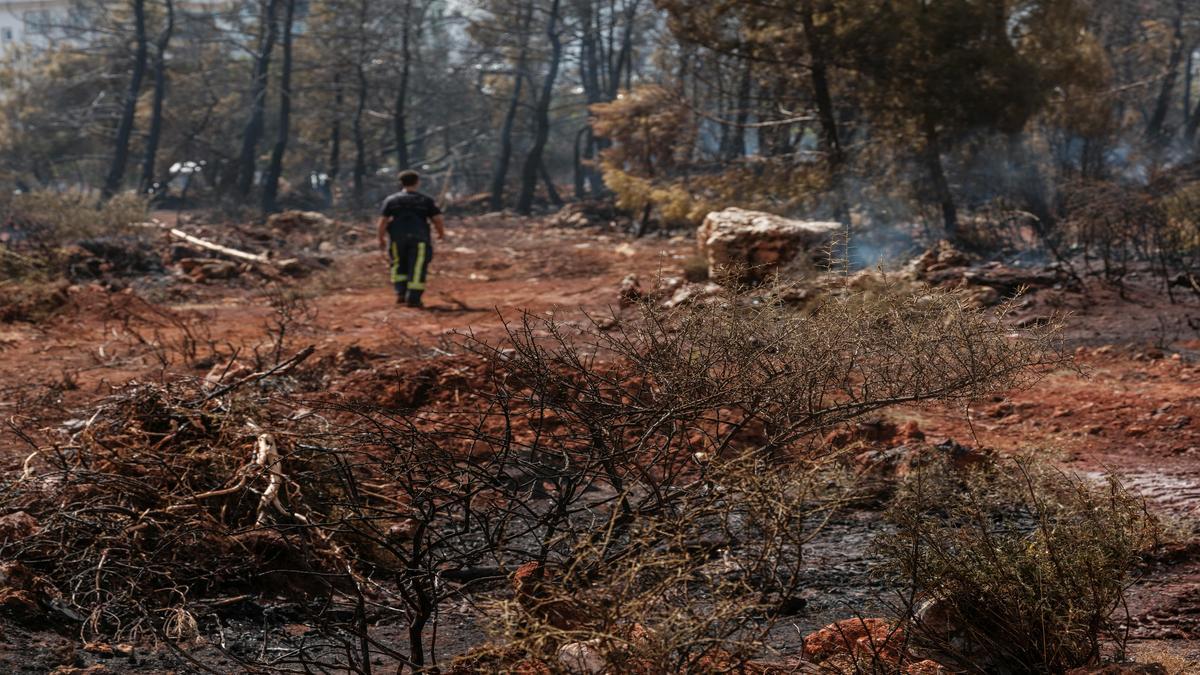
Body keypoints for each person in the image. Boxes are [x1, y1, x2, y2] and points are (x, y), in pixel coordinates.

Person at [377, 170, 445, 308]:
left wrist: (381, 238)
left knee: (398, 265)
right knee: (418, 266)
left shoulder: (392, 200)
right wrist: (441, 233)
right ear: (417, 182)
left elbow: (383, 221)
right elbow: (437, 219)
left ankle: (401, 294)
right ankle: (413, 298)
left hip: (397, 238)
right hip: (419, 238)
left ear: (401, 183)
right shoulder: (425, 200)